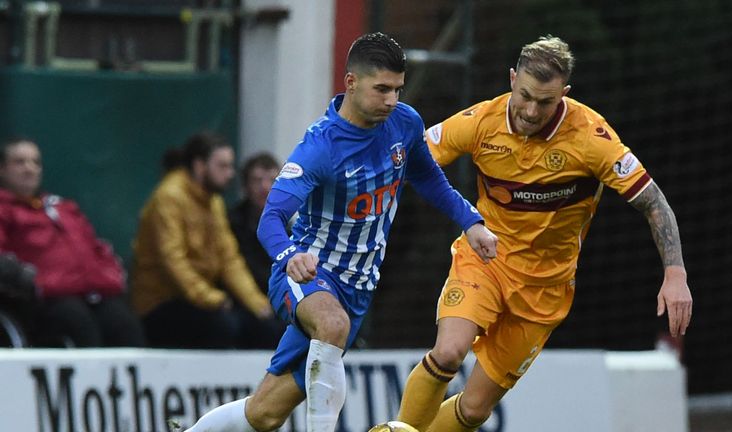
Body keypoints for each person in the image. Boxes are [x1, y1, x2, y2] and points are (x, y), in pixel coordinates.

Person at [182, 32, 497, 432]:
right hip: (309, 275)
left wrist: (471, 222)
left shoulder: (404, 123)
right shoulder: (321, 146)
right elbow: (271, 218)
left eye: (397, 89)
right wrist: (289, 256)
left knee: (264, 413)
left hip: (357, 289)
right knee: (332, 325)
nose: (391, 100)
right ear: (351, 83)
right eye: (381, 89)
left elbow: (429, 179)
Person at [395, 35, 694, 432]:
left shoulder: (592, 138)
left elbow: (653, 201)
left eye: (545, 101)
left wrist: (675, 274)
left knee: (475, 410)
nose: (531, 111)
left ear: (564, 94)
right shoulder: (480, 121)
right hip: (485, 259)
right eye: (525, 96)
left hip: (545, 289)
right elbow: (410, 159)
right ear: (512, 78)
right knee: (448, 352)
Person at [131, 132, 282, 350]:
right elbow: (173, 262)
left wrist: (258, 304)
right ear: (200, 166)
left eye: (230, 166)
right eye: (222, 166)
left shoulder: (214, 202)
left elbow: (230, 260)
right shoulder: (169, 198)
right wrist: (212, 298)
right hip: (160, 302)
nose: (230, 174)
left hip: (198, 301)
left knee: (265, 327)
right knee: (224, 326)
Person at [0, 138, 145, 347]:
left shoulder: (62, 208)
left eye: (35, 162)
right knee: (78, 322)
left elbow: (96, 247)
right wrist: (29, 281)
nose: (29, 169)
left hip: (92, 293)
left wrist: (110, 274)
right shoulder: (4, 209)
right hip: (44, 299)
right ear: (2, 169)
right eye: (20, 162)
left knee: (124, 324)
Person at [228, 153, 281, 293]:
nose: (265, 187)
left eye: (272, 180)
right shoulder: (231, 222)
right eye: (257, 180)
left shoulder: (287, 226)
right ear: (245, 186)